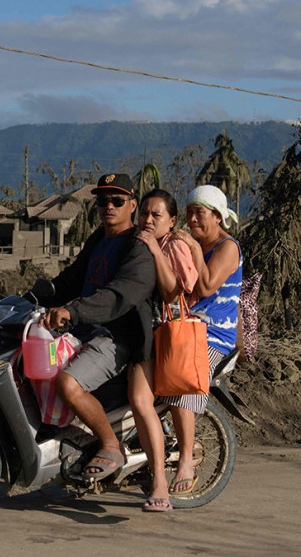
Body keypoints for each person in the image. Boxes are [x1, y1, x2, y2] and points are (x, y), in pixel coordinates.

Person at [40, 173, 156, 484]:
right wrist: (34, 297)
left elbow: (121, 295)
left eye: (117, 200)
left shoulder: (137, 246)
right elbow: (72, 279)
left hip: (116, 337)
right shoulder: (99, 239)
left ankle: (109, 445)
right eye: (103, 201)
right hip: (85, 331)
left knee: (68, 384)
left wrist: (73, 311)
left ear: (132, 205)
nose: (109, 206)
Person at [164, 185, 242, 496]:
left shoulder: (227, 247)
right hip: (187, 329)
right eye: (190, 212)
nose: (193, 218)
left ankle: (186, 461)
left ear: (217, 216)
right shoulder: (195, 244)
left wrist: (194, 248)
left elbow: (207, 286)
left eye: (200, 213)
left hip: (213, 337)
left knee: (184, 378)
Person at [127, 188, 198, 511]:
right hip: (139, 333)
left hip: (166, 334)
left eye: (157, 215)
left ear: (171, 221)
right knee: (136, 400)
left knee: (165, 393)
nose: (148, 219)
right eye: (144, 213)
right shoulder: (134, 241)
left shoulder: (174, 245)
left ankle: (178, 466)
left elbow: (174, 292)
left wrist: (156, 251)